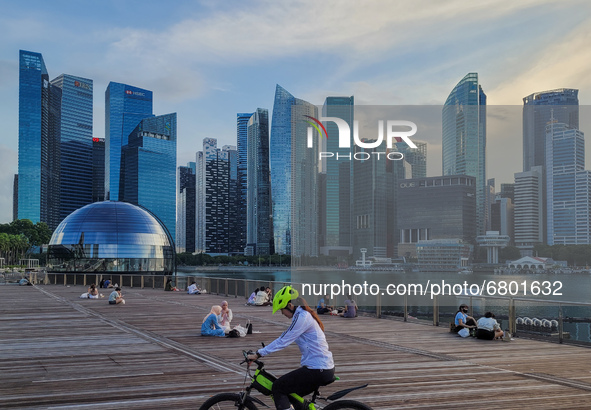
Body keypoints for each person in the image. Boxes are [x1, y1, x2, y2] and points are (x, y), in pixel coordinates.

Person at [247, 286, 335, 410]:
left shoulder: (302, 317)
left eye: (282, 310)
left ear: (289, 305)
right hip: (320, 367)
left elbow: (283, 340)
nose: (282, 313)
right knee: (290, 394)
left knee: (278, 387)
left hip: (318, 369)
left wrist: (258, 353)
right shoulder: (302, 315)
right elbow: (284, 337)